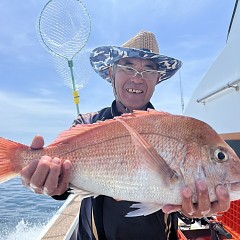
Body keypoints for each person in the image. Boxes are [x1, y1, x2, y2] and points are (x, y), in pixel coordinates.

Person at [21, 31, 230, 240]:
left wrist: (193, 208)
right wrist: (52, 184)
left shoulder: (174, 128)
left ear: (158, 79)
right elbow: (64, 186)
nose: (137, 78)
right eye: (128, 66)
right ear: (111, 73)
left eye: (149, 70)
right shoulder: (87, 123)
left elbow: (179, 200)